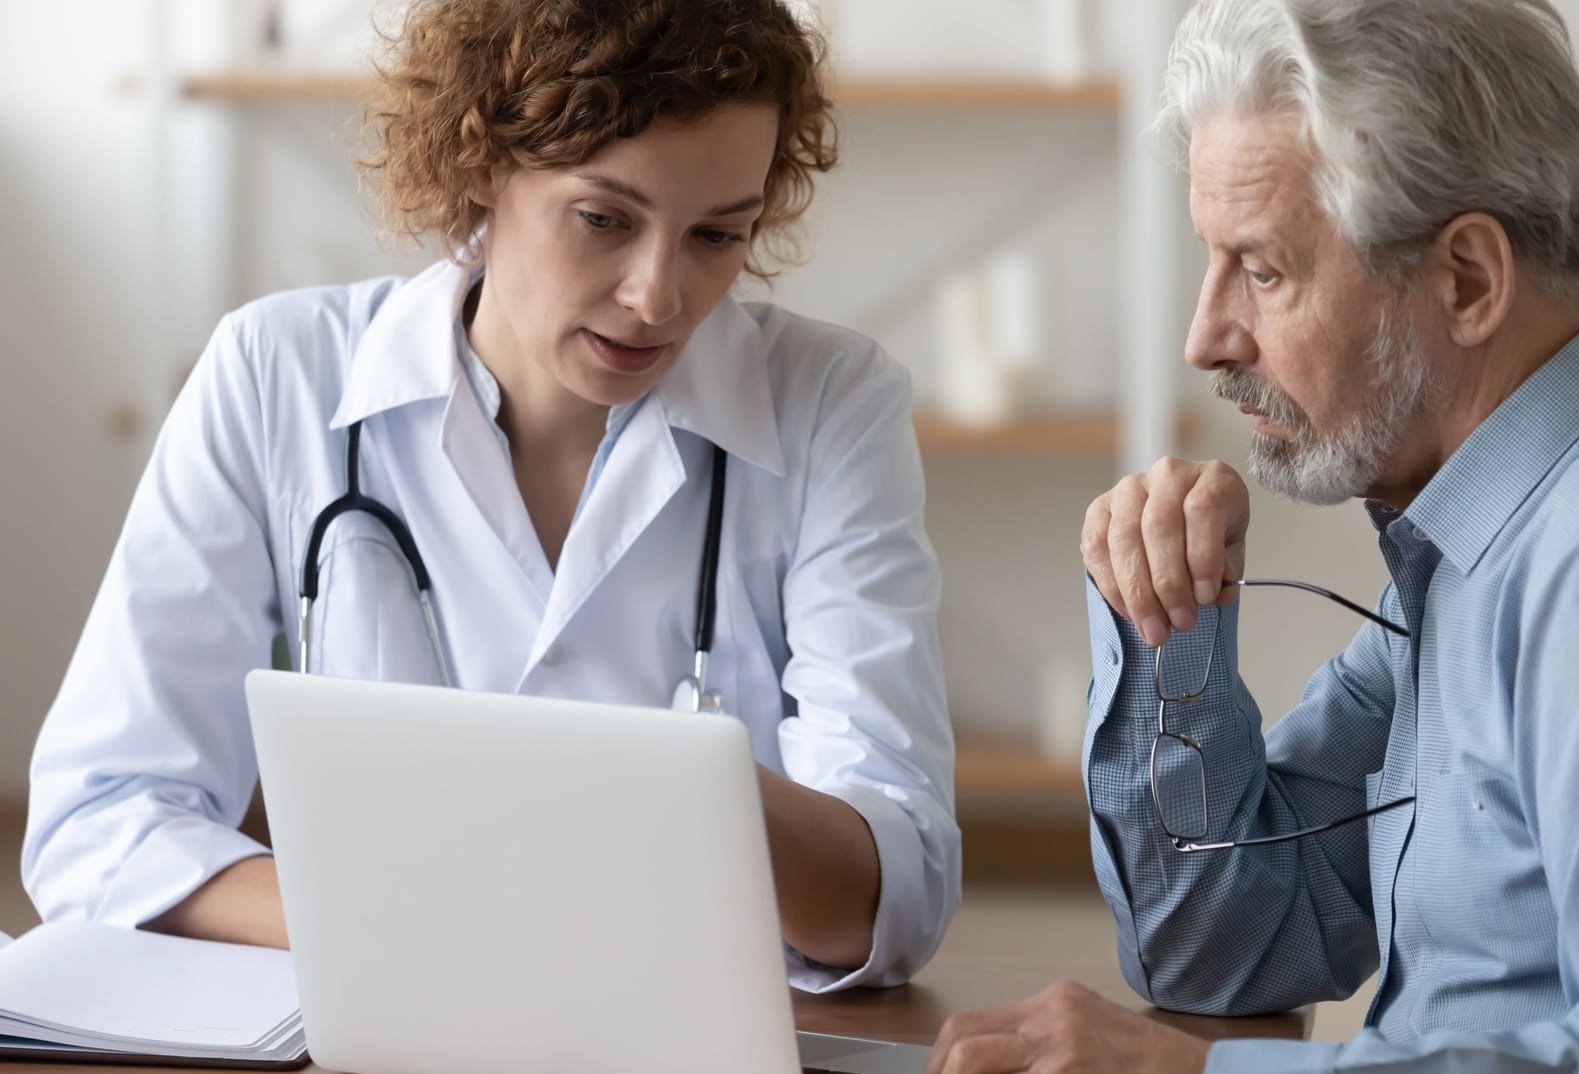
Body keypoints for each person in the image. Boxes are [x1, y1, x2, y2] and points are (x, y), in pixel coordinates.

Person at [927, 0, 1579, 1074]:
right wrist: (1165, 616)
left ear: (1468, 281)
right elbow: (1226, 945)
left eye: (1261, 270)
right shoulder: (1478, 544)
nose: (1205, 337)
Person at [24, 0, 959, 992]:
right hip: (375, 1026)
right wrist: (397, 926)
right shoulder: (274, 376)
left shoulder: (831, 404)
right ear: (481, 161)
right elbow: (98, 820)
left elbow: (894, 892)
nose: (659, 296)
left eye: (717, 235)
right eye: (605, 219)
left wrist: (664, 786)